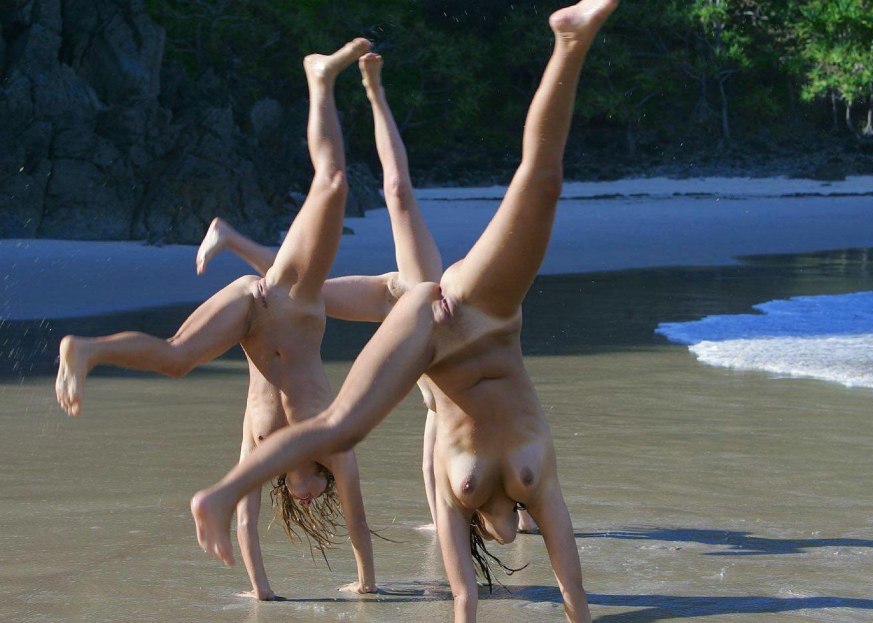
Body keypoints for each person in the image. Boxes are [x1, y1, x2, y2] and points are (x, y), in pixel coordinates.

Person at [189, 2, 618, 621]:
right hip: (487, 315)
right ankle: (570, 42)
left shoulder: (453, 499)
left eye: (495, 540)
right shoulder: (539, 489)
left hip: (424, 328)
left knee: (340, 416)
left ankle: (220, 492)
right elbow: (568, 581)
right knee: (542, 180)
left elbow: (464, 599)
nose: (503, 535)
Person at [54, 41, 437, 599]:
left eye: (300, 501)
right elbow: (360, 522)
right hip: (288, 294)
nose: (308, 499)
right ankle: (320, 78)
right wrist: (370, 584)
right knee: (332, 183)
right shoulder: (334, 442)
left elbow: (244, 517)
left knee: (178, 360)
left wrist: (262, 591)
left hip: (251, 312)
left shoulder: (263, 454)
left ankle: (89, 348)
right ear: (324, 480)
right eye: (317, 497)